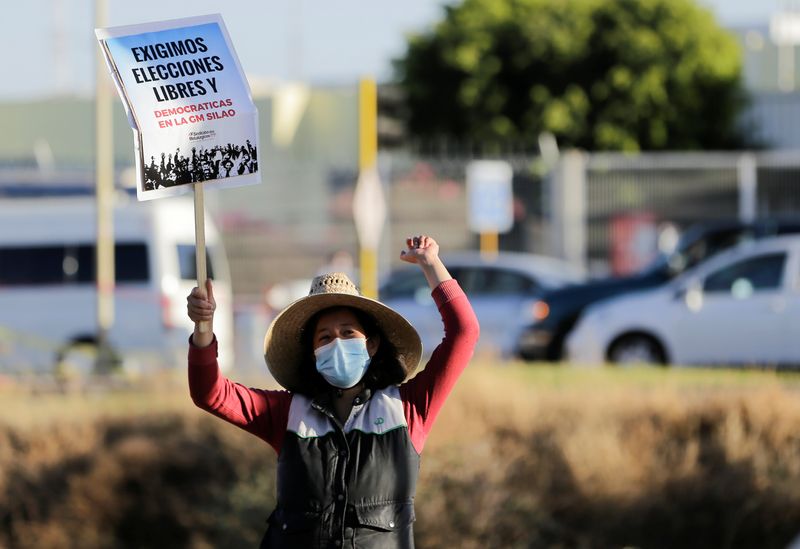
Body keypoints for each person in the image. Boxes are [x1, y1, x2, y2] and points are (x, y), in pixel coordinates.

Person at [186, 235, 479, 548]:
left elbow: (464, 333)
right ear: (312, 354)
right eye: (324, 338)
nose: (336, 342)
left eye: (348, 333)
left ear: (372, 343)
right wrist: (203, 327)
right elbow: (210, 393)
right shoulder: (286, 413)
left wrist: (431, 264)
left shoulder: (408, 408)